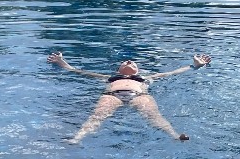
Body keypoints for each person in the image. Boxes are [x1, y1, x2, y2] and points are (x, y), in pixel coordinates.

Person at [47, 52, 212, 143]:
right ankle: (77, 138)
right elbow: (78, 71)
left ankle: (175, 136)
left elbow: (173, 72)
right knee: (97, 117)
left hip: (140, 95)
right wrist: (61, 63)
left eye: (133, 63)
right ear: (118, 70)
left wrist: (195, 66)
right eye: (126, 62)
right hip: (112, 96)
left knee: (155, 117)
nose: (129, 61)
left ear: (138, 71)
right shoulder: (108, 78)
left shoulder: (148, 78)